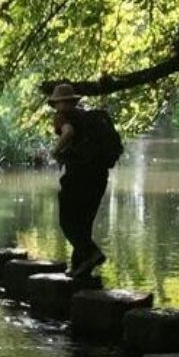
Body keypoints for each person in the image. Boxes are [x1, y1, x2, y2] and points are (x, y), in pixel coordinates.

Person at [49, 84, 111, 278]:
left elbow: (68, 132)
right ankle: (80, 267)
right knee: (84, 223)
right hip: (99, 176)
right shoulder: (89, 118)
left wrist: (56, 151)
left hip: (79, 176)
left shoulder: (62, 116)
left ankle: (92, 253)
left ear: (59, 103)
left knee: (67, 220)